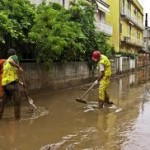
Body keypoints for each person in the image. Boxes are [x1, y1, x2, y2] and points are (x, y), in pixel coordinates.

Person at [0, 48, 23, 120]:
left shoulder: (5, 62)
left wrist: (19, 82)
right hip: (12, 84)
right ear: (15, 54)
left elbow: (9, 74)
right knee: (17, 100)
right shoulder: (13, 57)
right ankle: (18, 119)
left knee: (3, 102)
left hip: (5, 84)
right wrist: (19, 67)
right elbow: (11, 61)